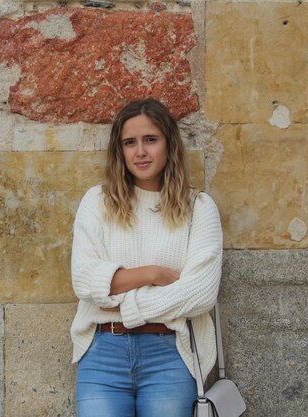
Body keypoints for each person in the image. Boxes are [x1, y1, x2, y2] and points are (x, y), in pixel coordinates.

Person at [71, 98, 223, 417]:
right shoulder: (97, 202)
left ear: (169, 144)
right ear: (120, 151)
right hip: (102, 356)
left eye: (150, 140)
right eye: (130, 143)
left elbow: (201, 294)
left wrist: (123, 303)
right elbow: (85, 281)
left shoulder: (198, 208)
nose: (140, 151)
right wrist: (154, 274)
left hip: (169, 354)